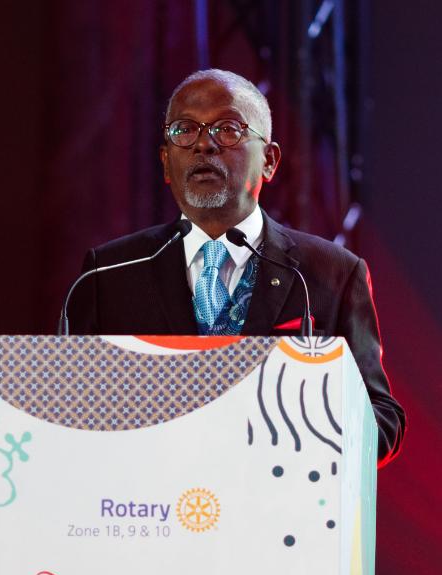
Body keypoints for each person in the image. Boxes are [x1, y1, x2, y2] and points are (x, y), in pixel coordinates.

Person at [68, 69, 404, 465]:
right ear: (165, 162)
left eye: (227, 129)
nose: (203, 145)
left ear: (269, 161)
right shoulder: (109, 273)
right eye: (184, 130)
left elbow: (382, 421)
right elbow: (68, 411)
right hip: (145, 499)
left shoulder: (331, 274)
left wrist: (302, 427)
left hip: (279, 495)